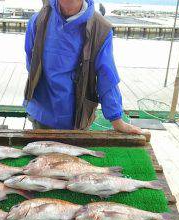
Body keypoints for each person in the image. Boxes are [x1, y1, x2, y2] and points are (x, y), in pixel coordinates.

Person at [24, 0, 142, 134]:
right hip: (41, 115)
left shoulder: (101, 29)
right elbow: (31, 63)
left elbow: (107, 76)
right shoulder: (38, 21)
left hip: (77, 120)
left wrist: (116, 119)